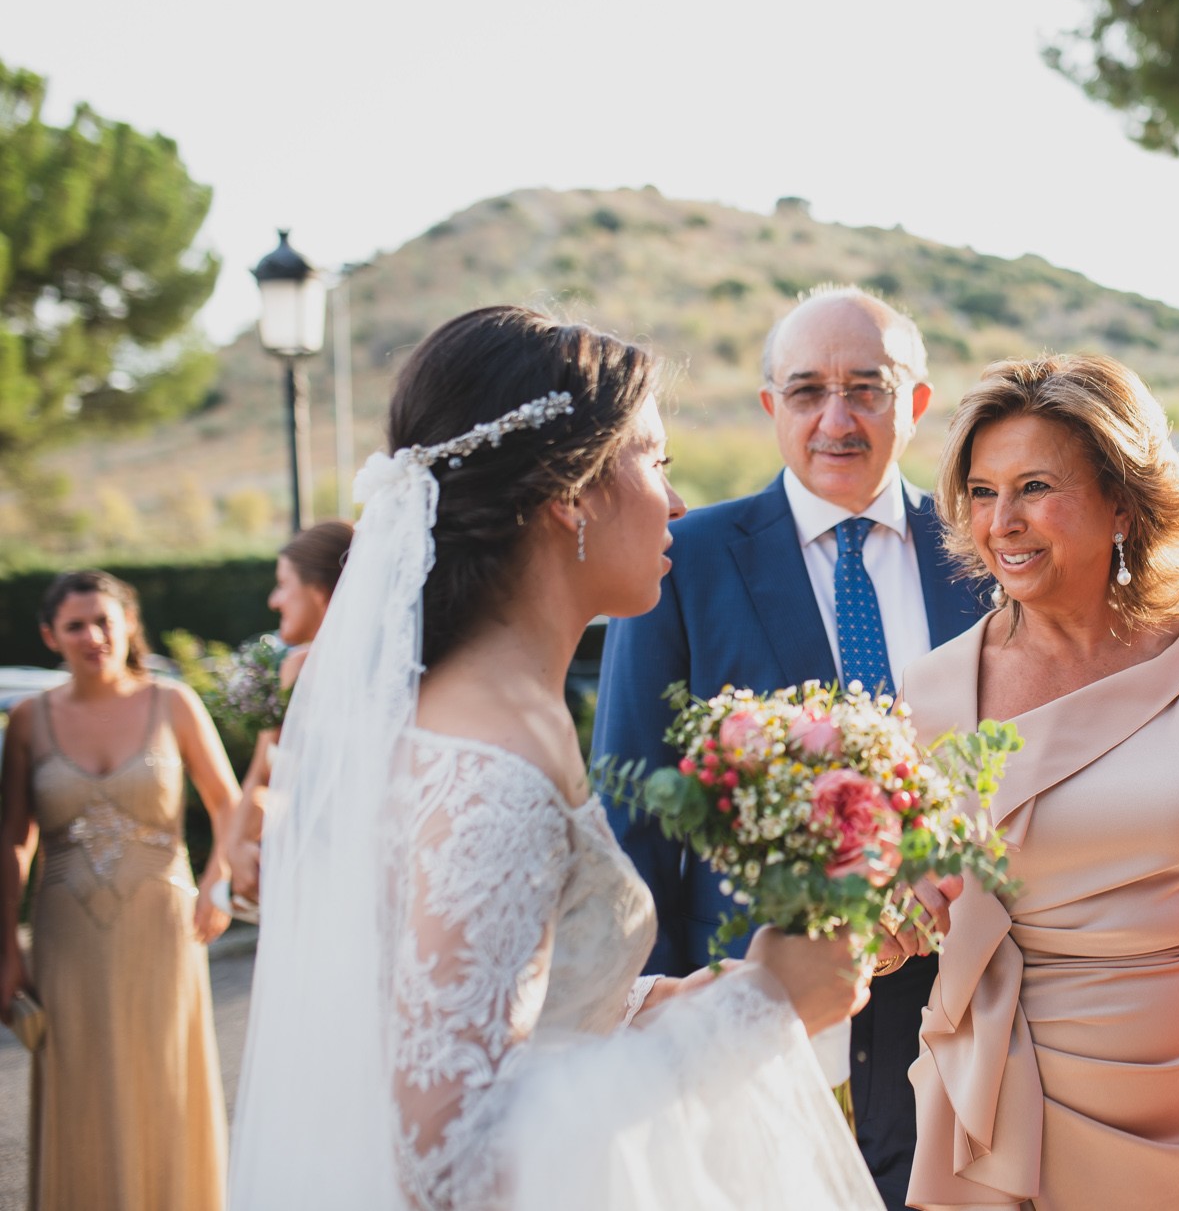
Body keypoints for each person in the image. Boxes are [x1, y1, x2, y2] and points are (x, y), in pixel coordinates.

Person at [227, 305, 882, 1211]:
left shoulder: (482, 709)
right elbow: (445, 1160)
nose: (678, 503)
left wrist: (656, 1004)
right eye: (657, 462)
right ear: (572, 492)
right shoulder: (494, 761)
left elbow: (523, 1028)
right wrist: (763, 1006)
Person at [901, 353, 1179, 1210]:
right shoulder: (932, 694)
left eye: (1033, 487)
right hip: (1017, 1086)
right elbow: (917, 901)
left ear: (1123, 502)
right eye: (982, 493)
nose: (1003, 522)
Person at [594, 285, 988, 1207]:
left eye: (867, 388)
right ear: (772, 406)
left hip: (962, 1011)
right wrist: (649, 1028)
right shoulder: (683, 557)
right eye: (807, 391)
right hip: (754, 1007)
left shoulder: (980, 549)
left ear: (916, 402)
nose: (836, 418)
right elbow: (637, 809)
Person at [0, 569, 240, 1210]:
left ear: (128, 625)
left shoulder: (174, 703)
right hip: (65, 938)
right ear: (51, 635)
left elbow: (229, 808)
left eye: (105, 620)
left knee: (165, 1075)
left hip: (165, 929)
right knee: (80, 1080)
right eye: (75, 625)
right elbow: (14, 842)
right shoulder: (28, 720)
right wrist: (5, 950)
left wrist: (216, 885)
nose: (93, 636)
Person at [220, 519, 354, 906]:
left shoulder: (395, 674)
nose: (274, 601)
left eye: (283, 584)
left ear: (319, 592)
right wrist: (237, 846)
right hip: (303, 871)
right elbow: (264, 770)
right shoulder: (294, 668)